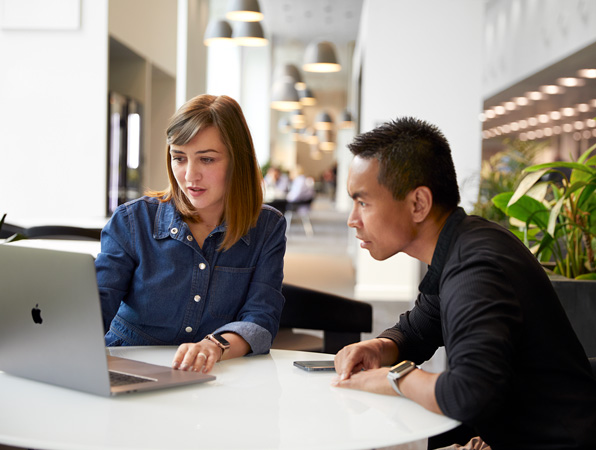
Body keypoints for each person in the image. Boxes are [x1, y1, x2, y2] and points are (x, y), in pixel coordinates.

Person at [332, 117, 596, 449]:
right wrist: (380, 347)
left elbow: (467, 393)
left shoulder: (475, 267)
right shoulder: (463, 242)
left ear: (418, 204)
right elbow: (419, 328)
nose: (352, 219)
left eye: (363, 202)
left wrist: (392, 378)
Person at [95, 94, 286, 374]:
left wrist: (213, 346)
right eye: (179, 158)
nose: (189, 175)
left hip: (211, 373)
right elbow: (97, 304)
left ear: (237, 161)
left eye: (207, 159)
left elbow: (261, 318)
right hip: (130, 364)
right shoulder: (133, 220)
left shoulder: (267, 227)